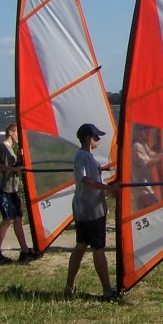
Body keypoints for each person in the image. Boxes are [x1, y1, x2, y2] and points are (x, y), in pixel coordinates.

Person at [65, 123, 120, 300]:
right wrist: (107, 188)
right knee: (98, 248)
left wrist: (108, 187)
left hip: (85, 208)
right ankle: (107, 290)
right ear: (89, 137)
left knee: (81, 245)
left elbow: (91, 179)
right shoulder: (83, 156)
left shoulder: (87, 156)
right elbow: (85, 179)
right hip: (90, 210)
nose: (98, 140)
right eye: (96, 137)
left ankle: (69, 287)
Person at [0, 123, 37, 264]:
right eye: (17, 133)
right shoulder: (2, 146)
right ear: (11, 132)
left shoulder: (11, 149)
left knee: (18, 219)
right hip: (3, 189)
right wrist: (13, 168)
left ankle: (25, 251)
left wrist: (18, 159)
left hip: (13, 189)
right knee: (8, 219)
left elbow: (13, 168)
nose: (19, 137)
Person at [131, 126, 161, 209]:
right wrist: (162, 155)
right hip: (141, 188)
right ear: (138, 133)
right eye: (144, 130)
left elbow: (151, 155)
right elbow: (148, 163)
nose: (148, 132)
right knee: (151, 208)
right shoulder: (137, 146)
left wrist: (159, 152)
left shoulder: (143, 145)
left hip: (145, 186)